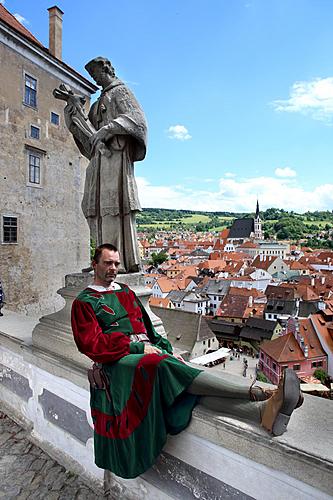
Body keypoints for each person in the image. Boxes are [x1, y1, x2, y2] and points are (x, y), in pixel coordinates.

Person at [71, 244, 303, 479]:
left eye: (116, 263)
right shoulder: (85, 302)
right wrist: (137, 347)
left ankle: (262, 411)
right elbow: (92, 345)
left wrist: (167, 350)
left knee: (184, 386)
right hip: (118, 364)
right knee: (161, 366)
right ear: (95, 264)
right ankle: (263, 392)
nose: (113, 268)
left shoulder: (125, 291)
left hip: (145, 355)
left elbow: (149, 330)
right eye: (107, 263)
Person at [62, 57, 147, 273]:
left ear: (106, 70)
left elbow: (137, 120)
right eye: (92, 76)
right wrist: (74, 110)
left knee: (113, 209)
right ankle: (101, 260)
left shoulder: (121, 92)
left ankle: (116, 263)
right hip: (99, 162)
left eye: (96, 74)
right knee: (94, 209)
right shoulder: (101, 100)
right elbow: (88, 133)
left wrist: (109, 129)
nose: (95, 79)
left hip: (115, 160)